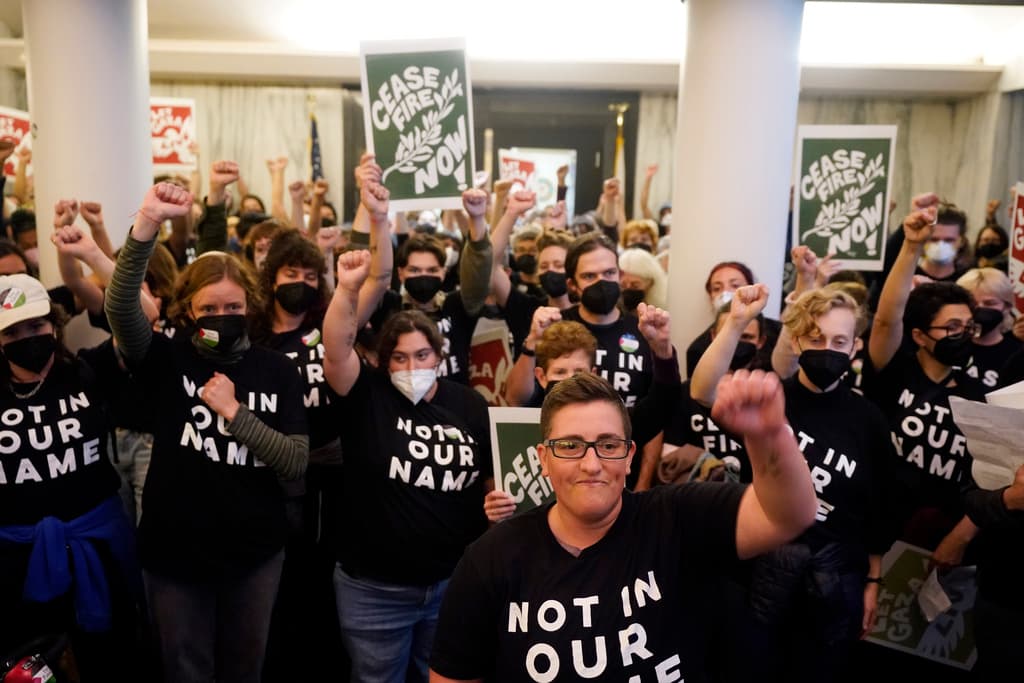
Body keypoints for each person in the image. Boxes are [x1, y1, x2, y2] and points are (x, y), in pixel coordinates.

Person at [428, 370, 818, 683]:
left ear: (630, 456)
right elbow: (454, 675)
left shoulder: (675, 518)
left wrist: (769, 437)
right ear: (543, 459)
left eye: (608, 445)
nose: (592, 463)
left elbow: (787, 515)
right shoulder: (492, 557)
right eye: (570, 446)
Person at [105, 181, 309, 683]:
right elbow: (120, 309)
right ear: (187, 313)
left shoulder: (276, 370)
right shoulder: (168, 358)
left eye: (233, 308)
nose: (222, 318)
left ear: (251, 307)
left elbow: (294, 461)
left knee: (245, 668)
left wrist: (235, 415)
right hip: (175, 555)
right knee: (185, 668)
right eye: (209, 310)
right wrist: (147, 226)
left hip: (254, 555)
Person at [691, 285, 896, 683]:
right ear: (798, 339)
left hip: (836, 579)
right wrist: (736, 321)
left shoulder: (869, 420)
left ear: (855, 347)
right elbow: (702, 391)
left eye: (839, 340)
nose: (827, 348)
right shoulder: (769, 398)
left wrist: (873, 581)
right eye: (816, 338)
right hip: (760, 571)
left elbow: (880, 509)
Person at [323, 240, 492, 683]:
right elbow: (337, 349)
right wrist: (346, 289)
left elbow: (489, 479)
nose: (411, 366)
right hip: (375, 591)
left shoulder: (470, 404)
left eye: (421, 356)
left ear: (439, 357)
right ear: (383, 361)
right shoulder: (367, 396)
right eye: (399, 357)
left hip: (452, 584)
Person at [0, 273, 140, 682]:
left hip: (95, 548)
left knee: (109, 658)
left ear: (55, 324)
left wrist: (96, 258)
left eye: (37, 325)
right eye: (13, 331)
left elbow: (132, 323)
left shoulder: (88, 371)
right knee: (29, 667)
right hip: (15, 561)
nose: (28, 337)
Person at [865, 192, 986, 562]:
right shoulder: (894, 371)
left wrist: (961, 537)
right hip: (877, 530)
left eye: (968, 327)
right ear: (919, 335)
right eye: (951, 327)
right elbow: (887, 318)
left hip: (939, 545)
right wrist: (911, 247)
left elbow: (990, 478)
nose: (961, 334)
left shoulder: (977, 395)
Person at [366, 189, 492, 385]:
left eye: (432, 270)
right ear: (400, 273)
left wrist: (476, 219)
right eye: (415, 270)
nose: (424, 276)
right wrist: (378, 218)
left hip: (450, 407)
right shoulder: (388, 306)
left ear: (443, 272)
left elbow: (478, 273)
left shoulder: (457, 306)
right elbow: (375, 276)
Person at [685, 261, 782, 376]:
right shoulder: (698, 350)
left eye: (735, 286)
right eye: (717, 288)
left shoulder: (778, 334)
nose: (726, 293)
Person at [955, 267, 1020, 389]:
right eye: (972, 303)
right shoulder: (950, 346)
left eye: (990, 303)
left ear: (1007, 307)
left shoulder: (1016, 353)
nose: (980, 308)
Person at [619, 246, 668, 311]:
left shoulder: (660, 312)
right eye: (623, 285)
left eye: (635, 286)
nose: (628, 288)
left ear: (650, 283)